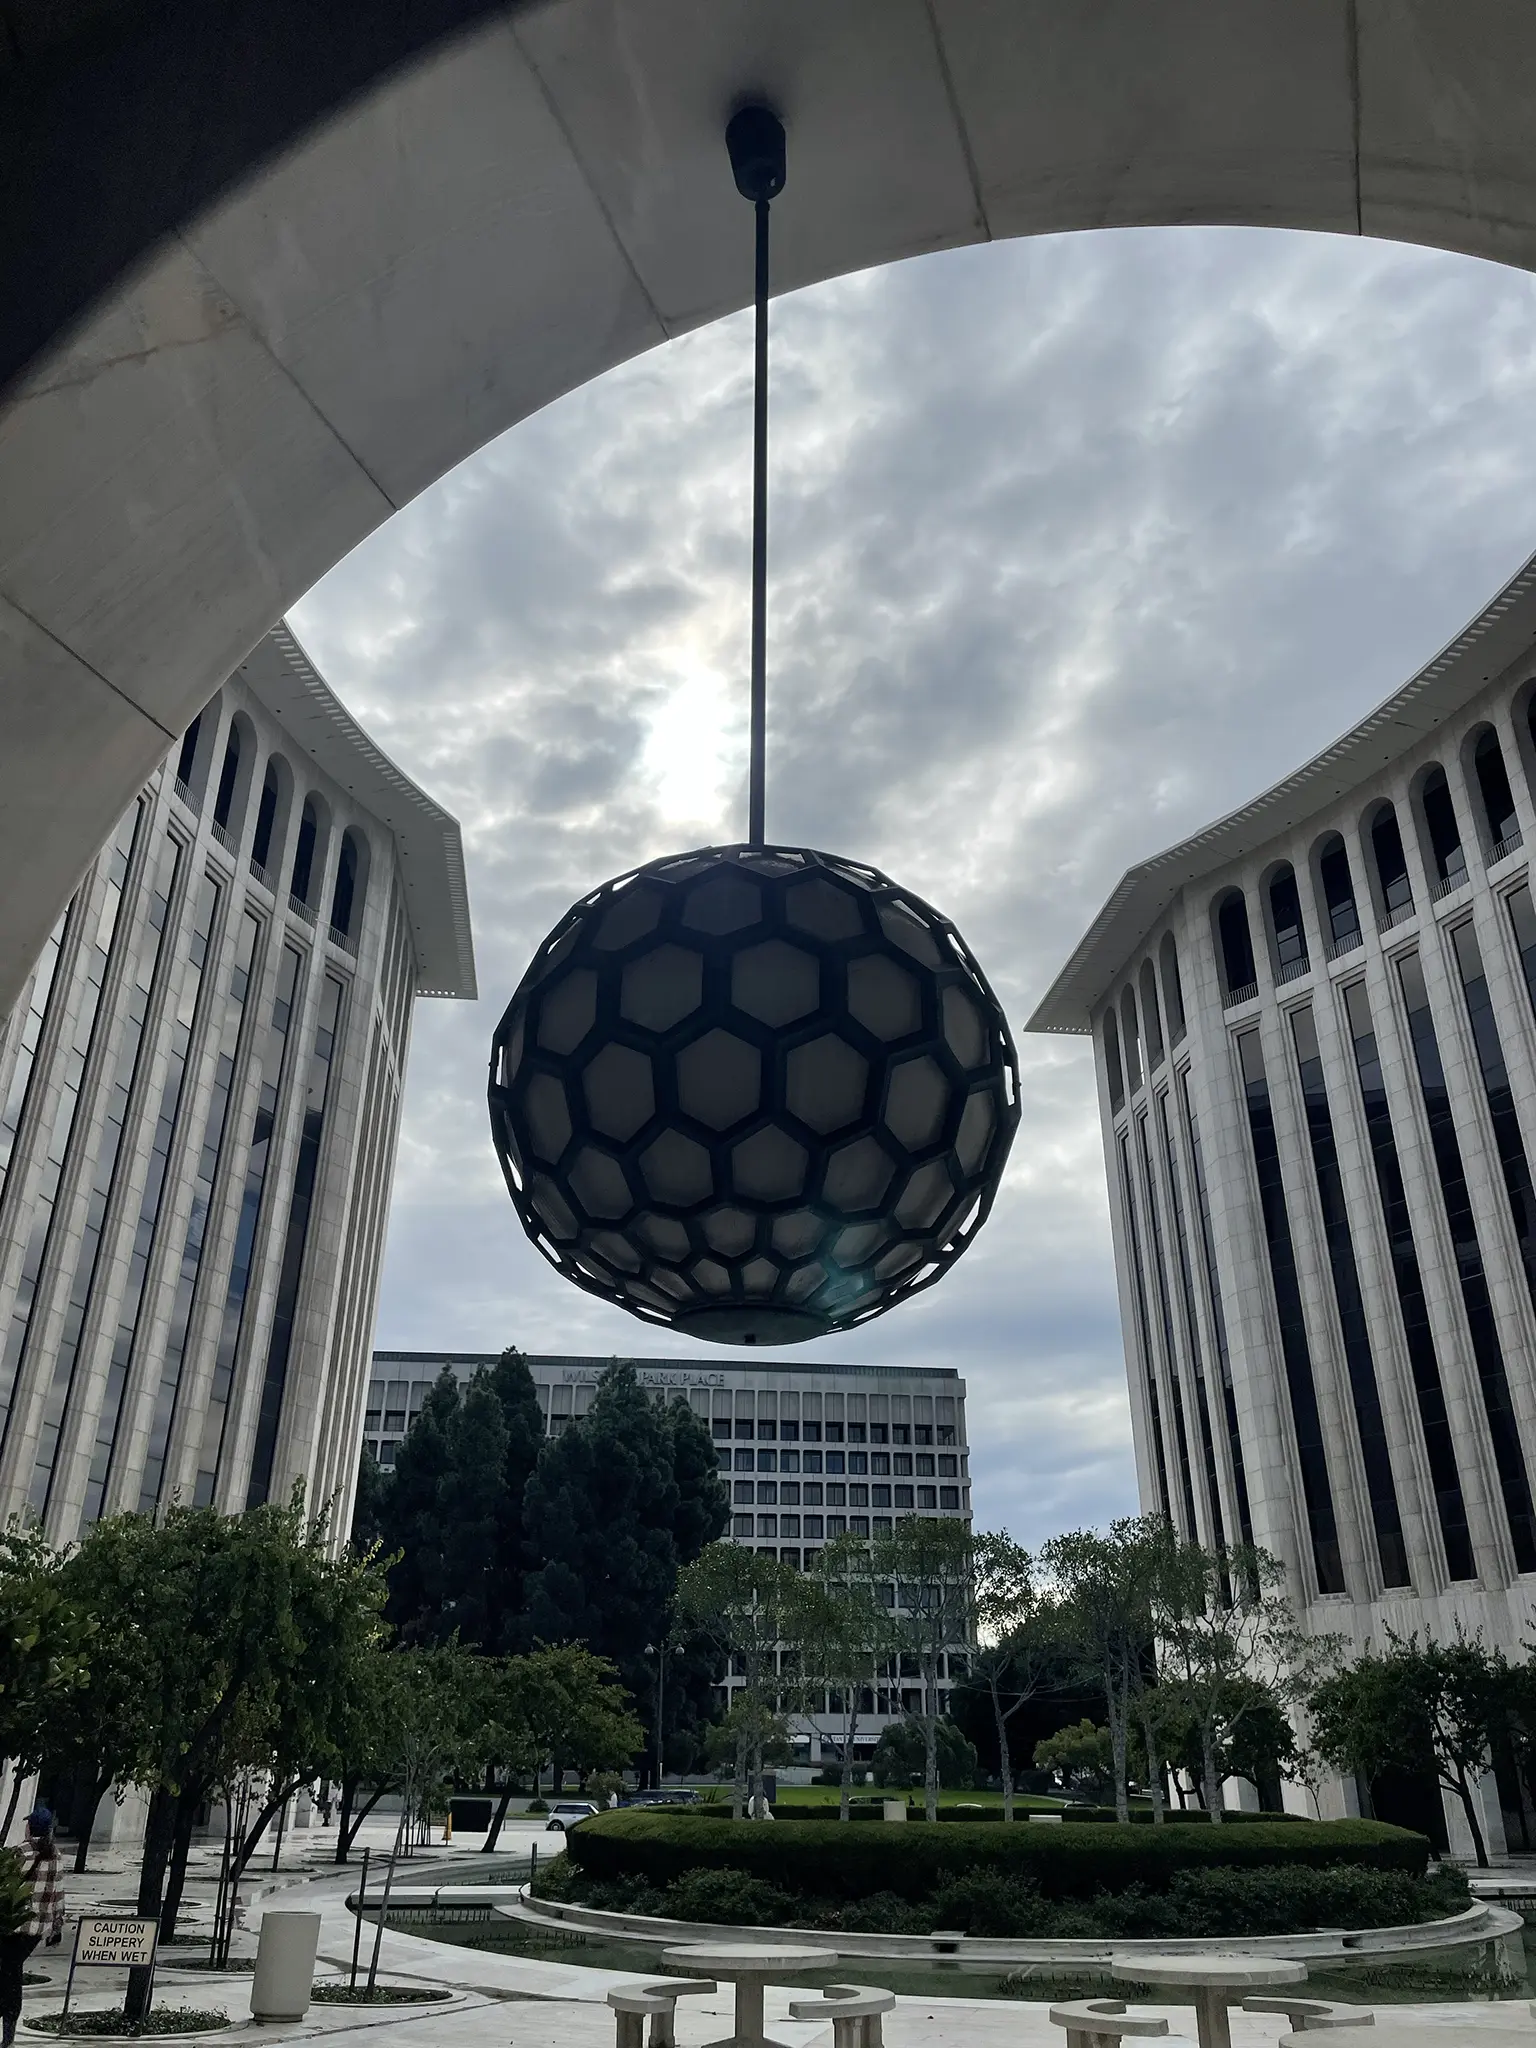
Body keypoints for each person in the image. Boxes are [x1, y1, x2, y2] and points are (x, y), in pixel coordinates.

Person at [0, 1809, 63, 2048]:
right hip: (36, 1929)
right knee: (10, 1973)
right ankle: (8, 2035)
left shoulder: (20, 1852)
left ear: (30, 1828)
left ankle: (8, 2034)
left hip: (13, 1925)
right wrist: (56, 1927)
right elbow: (58, 1893)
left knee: (10, 1975)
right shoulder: (55, 1854)